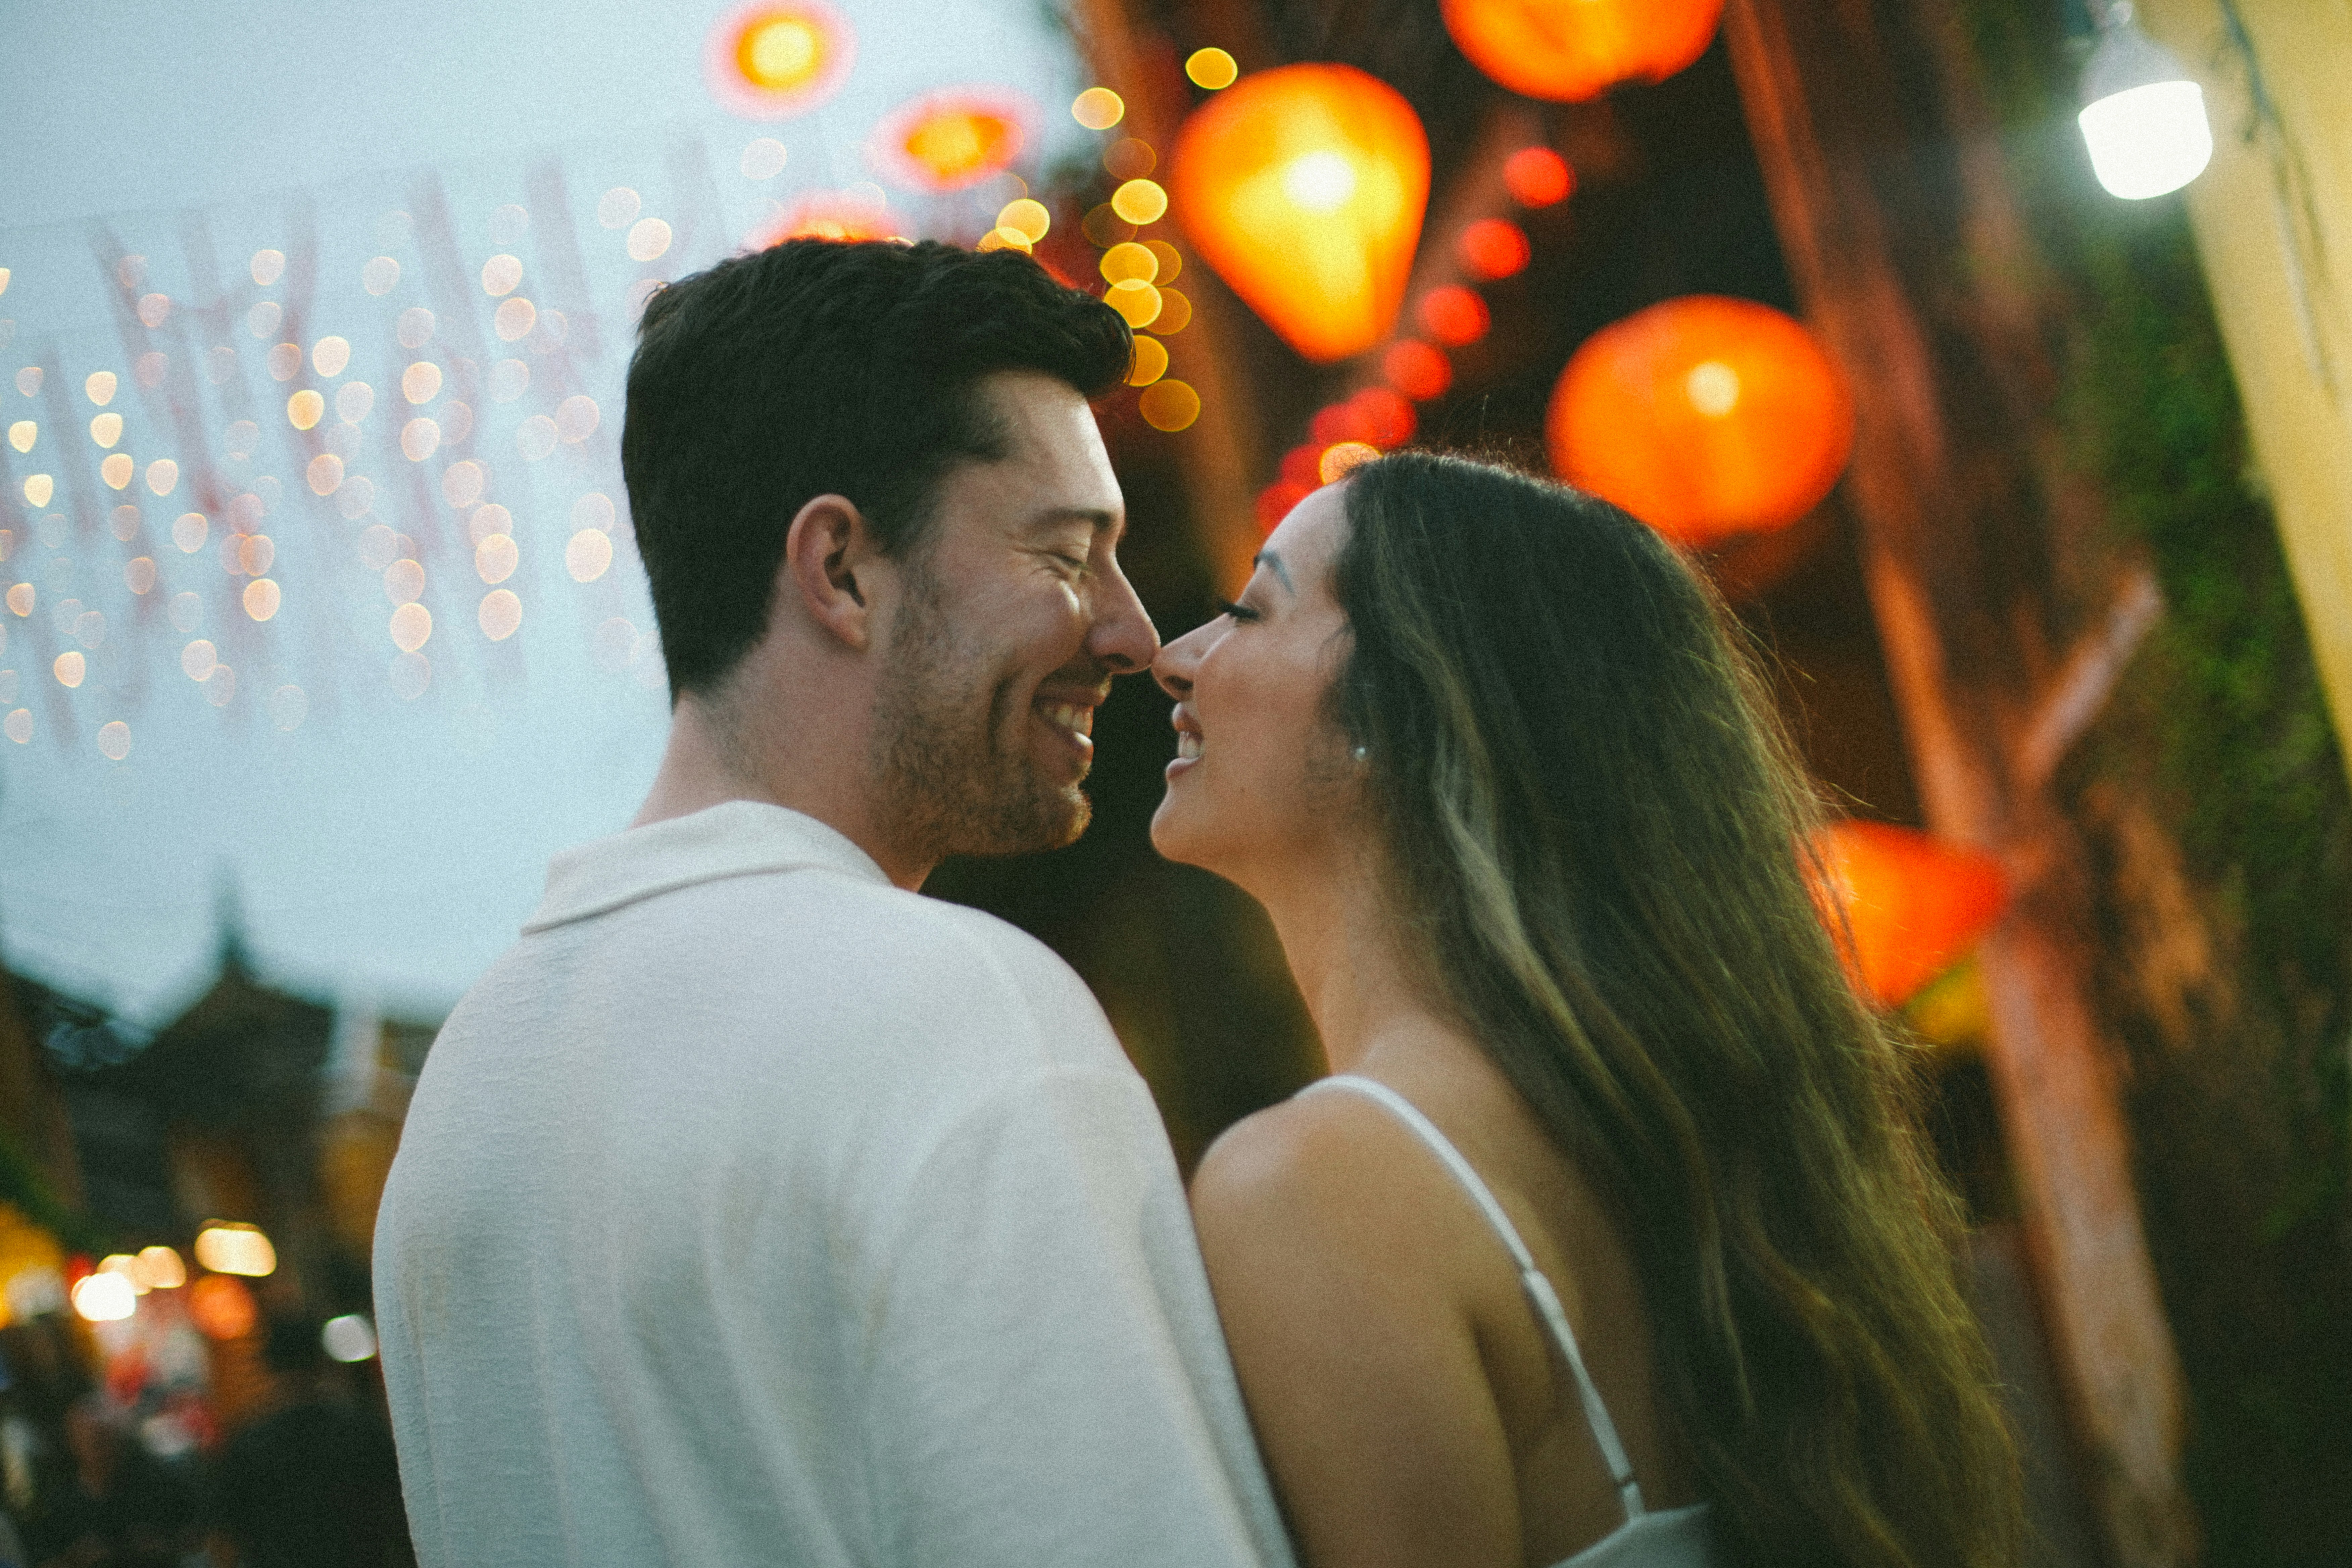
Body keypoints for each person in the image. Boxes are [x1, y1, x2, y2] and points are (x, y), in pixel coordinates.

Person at [373, 240, 1291, 1568]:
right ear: (842, 570)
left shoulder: (464, 1093)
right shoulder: (951, 1007)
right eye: (1070, 553)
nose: (1134, 634)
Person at [1152, 452, 2025, 1568]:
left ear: (1396, 711)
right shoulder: (1653, 1125)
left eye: (1249, 610)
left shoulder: (1311, 1186)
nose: (1177, 660)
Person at [210, 1316, 410, 1567]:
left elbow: (227, 1535)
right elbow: (397, 1514)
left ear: (270, 1368)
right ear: (322, 1363)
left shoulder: (247, 1444)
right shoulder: (360, 1428)